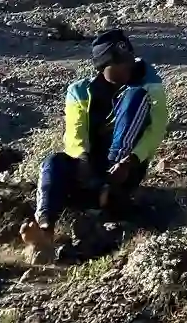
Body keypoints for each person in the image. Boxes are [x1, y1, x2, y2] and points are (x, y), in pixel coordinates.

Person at [20, 30, 170, 257]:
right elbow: (74, 134)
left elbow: (156, 129)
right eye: (120, 62)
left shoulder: (147, 85)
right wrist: (82, 159)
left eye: (129, 58)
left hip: (124, 170)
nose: (128, 66)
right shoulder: (79, 91)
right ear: (104, 66)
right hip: (89, 171)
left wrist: (130, 160)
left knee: (135, 97)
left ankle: (106, 195)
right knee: (53, 162)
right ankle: (44, 231)